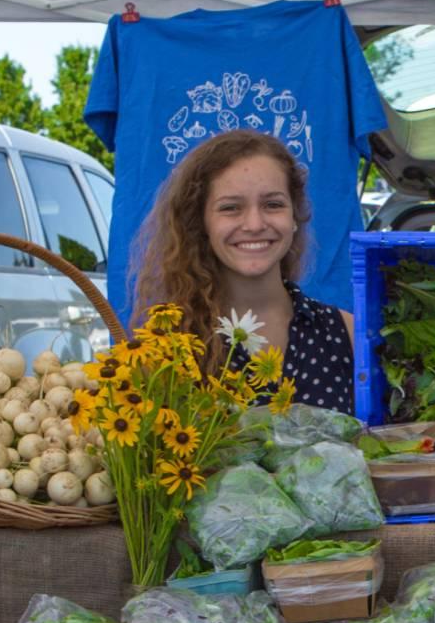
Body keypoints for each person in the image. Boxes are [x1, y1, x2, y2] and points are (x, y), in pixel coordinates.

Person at [132, 130, 357, 414]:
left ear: (294, 216)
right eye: (231, 208)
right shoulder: (167, 351)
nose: (254, 223)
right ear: (201, 224)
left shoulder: (349, 336)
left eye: (272, 205)